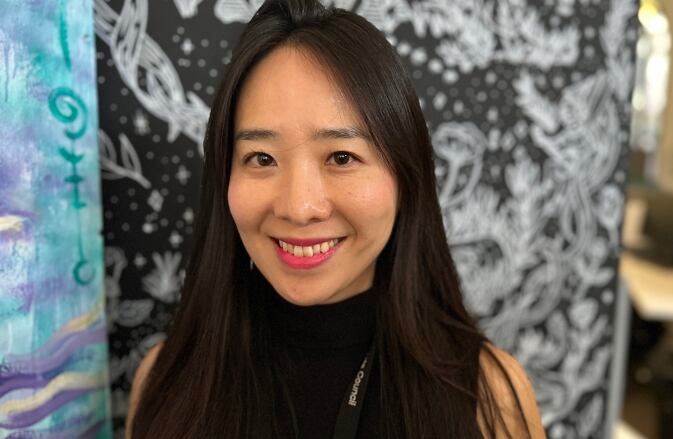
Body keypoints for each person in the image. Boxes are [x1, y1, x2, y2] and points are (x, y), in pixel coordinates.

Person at [126, 0, 545, 437]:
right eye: (262, 157)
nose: (299, 207)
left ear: (405, 176)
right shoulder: (165, 380)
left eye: (342, 156)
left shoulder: (491, 394)